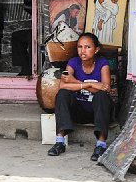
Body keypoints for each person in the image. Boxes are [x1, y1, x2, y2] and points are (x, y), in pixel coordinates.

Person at [48, 32, 112, 161]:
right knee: (62, 94)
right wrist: (87, 84)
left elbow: (105, 88)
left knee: (102, 96)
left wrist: (74, 81)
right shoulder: (72, 63)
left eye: (87, 47)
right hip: (79, 111)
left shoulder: (102, 64)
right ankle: (60, 142)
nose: (83, 51)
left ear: (96, 50)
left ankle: (101, 144)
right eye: (80, 47)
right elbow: (62, 85)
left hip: (97, 112)